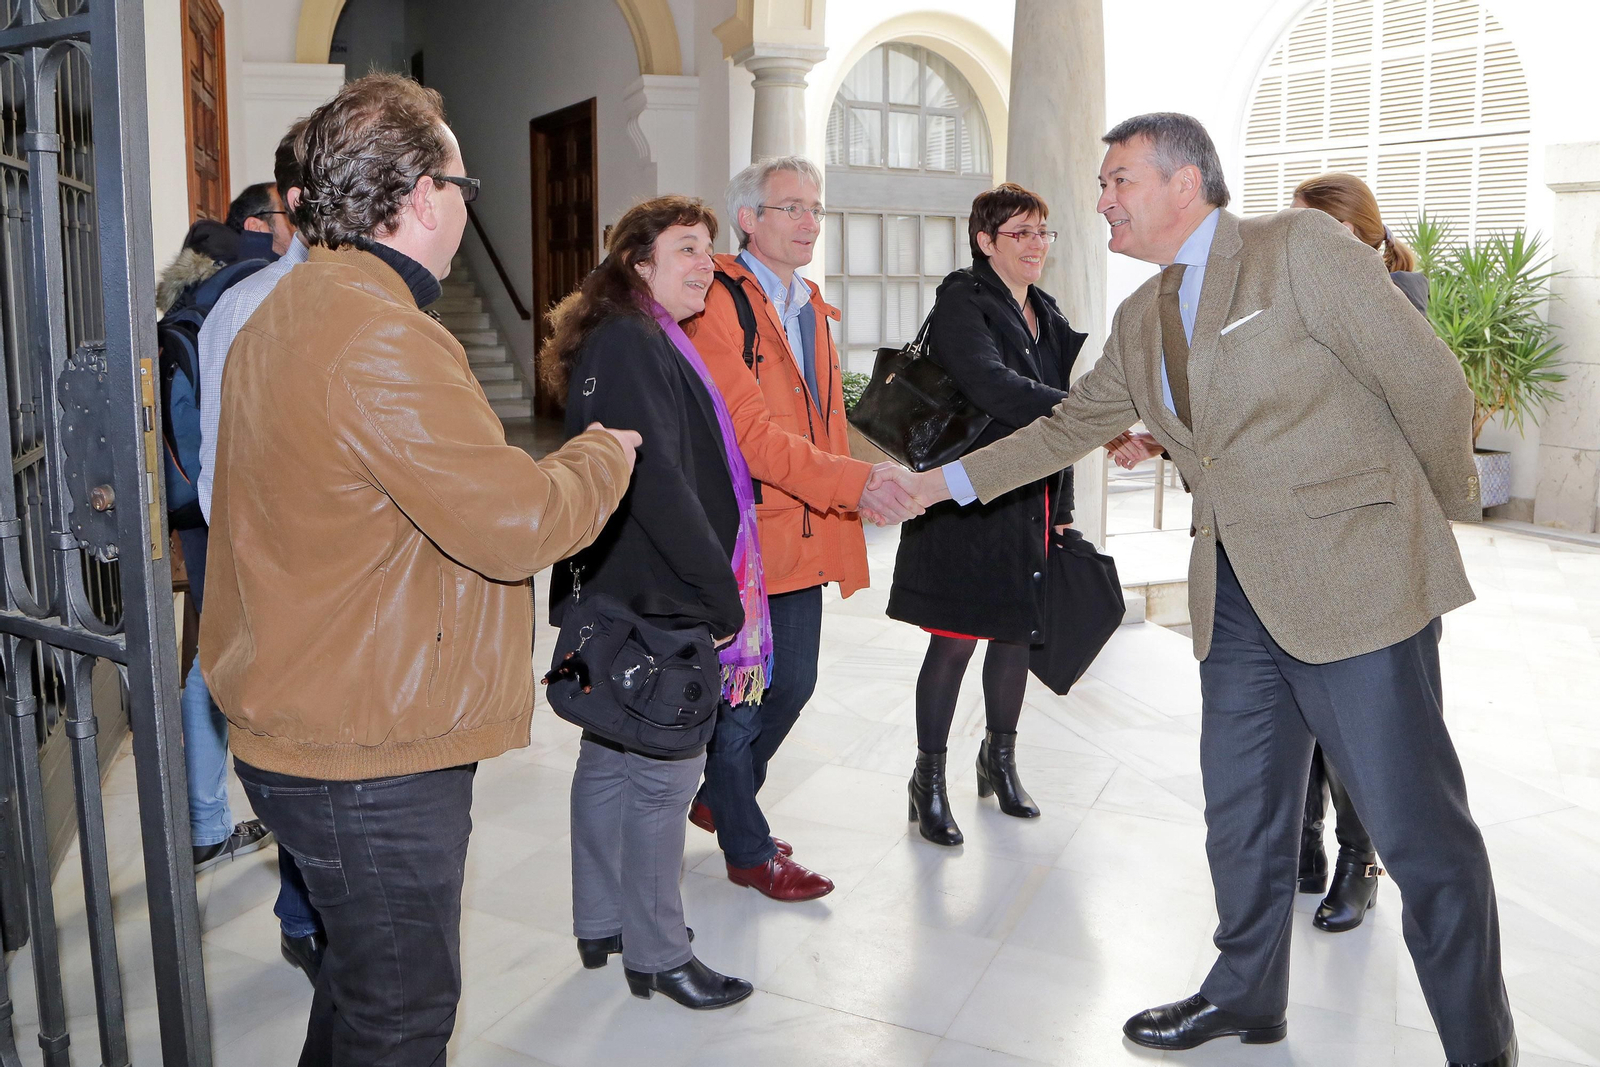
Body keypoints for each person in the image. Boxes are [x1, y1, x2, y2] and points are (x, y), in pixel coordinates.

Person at [907, 113, 1516, 1067]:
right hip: (1232, 595)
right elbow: (1066, 425)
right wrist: (931, 484)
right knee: (1241, 812)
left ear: (1184, 182)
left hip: (1353, 579)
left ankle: (1480, 1046)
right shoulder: (1140, 314)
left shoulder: (1296, 248)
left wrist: (1423, 524)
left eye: (1119, 180)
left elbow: (1428, 380)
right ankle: (1247, 995)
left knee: (1419, 830)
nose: (1100, 198)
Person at [201, 73, 637, 1064]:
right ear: (418, 193)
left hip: (317, 706)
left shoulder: (294, 305)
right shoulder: (381, 334)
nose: (463, 204)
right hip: (366, 747)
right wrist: (601, 454)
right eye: (462, 182)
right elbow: (517, 523)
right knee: (403, 1017)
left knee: (363, 995)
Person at [688, 156, 922, 897]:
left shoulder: (810, 304)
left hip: (804, 524)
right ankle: (747, 847)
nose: (810, 222)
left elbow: (822, 428)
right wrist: (861, 483)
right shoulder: (717, 302)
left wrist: (860, 487)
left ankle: (723, 799)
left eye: (815, 209)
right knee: (746, 691)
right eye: (791, 207)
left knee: (794, 681)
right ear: (748, 219)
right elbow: (752, 436)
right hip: (744, 534)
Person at [545, 196, 756, 1010]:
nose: (705, 263)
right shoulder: (634, 341)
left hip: (623, 585)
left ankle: (602, 921)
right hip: (660, 591)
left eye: (708, 250)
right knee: (667, 773)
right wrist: (718, 589)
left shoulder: (630, 333)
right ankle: (659, 952)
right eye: (687, 249)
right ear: (640, 262)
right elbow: (656, 480)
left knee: (610, 752)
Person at [888, 182, 1088, 846]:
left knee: (1013, 635)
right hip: (960, 499)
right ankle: (929, 779)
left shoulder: (1048, 314)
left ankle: (999, 761)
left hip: (1025, 498)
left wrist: (1064, 507)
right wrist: (1089, 415)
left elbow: (1055, 432)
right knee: (953, 640)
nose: (1035, 245)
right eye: (1019, 233)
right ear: (985, 242)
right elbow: (992, 387)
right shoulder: (960, 302)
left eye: (1042, 232)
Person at [191, 122, 324, 983]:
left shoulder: (397, 301)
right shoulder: (246, 307)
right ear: (298, 205)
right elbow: (216, 473)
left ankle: (316, 912)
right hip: (286, 582)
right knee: (303, 765)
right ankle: (305, 921)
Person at [1288, 170, 1430, 934]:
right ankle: (1304, 849)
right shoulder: (1313, 301)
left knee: (1357, 733)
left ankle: (1361, 865)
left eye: (1307, 228)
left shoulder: (1396, 305)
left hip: (1368, 550)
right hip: (1305, 543)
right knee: (1303, 708)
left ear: (1348, 233)